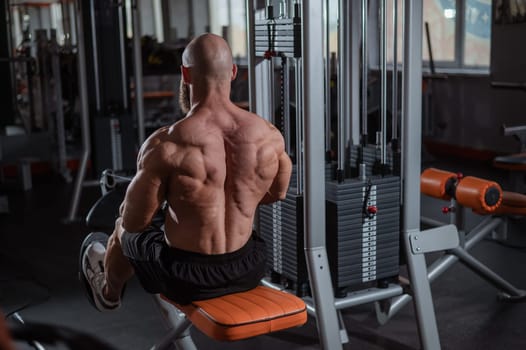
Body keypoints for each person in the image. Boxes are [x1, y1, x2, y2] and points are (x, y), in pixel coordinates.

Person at [80, 33, 292, 310]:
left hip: (187, 278)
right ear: (233, 73)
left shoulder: (165, 144)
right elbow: (278, 193)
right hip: (248, 267)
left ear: (185, 74)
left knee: (122, 228)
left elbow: (135, 222)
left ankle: (108, 292)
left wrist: (190, 205)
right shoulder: (269, 136)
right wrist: (236, 198)